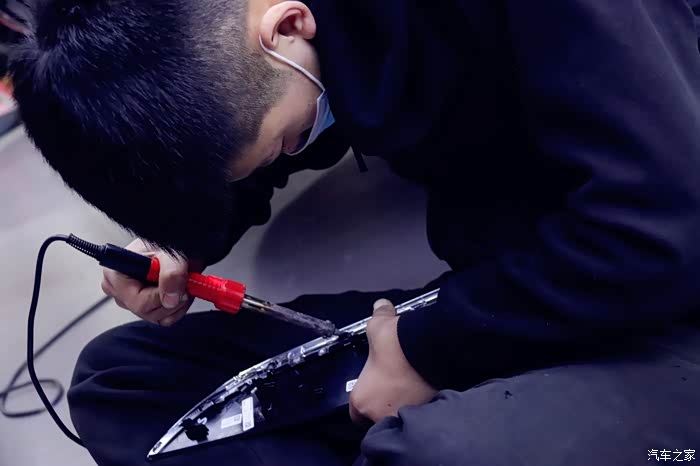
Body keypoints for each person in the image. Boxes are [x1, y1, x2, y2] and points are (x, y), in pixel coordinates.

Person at [9, 0, 700, 464]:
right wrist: (180, 236)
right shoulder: (296, 32)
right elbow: (275, 100)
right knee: (122, 386)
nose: (287, 153)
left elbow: (659, 228)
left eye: (282, 145)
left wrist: (433, 351)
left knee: (430, 451)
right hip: (520, 292)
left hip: (664, 296)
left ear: (288, 26)